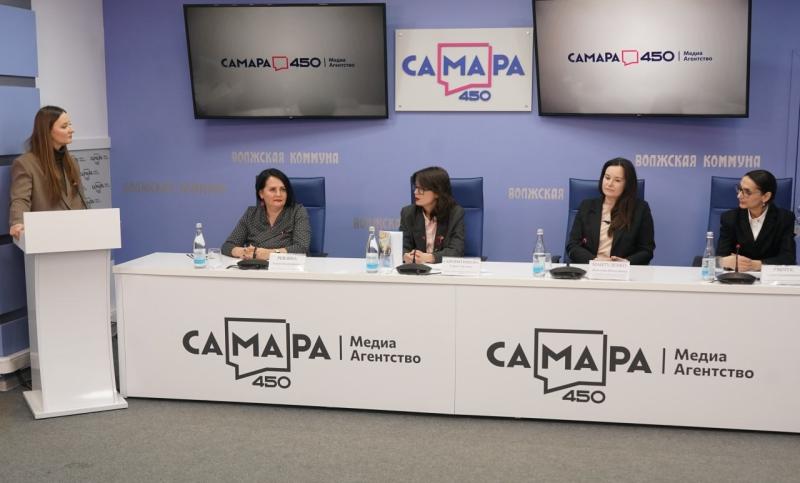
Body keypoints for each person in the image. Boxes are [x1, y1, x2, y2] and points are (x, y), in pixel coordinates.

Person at [8, 106, 86, 239]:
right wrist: (18, 222)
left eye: (70, 125)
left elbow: (80, 201)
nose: (71, 130)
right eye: (64, 126)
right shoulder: (25, 163)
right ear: (47, 131)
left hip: (78, 235)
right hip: (46, 238)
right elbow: (20, 199)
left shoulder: (72, 161)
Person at [567, 157, 655, 265]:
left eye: (617, 180)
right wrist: (594, 261)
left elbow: (646, 250)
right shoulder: (587, 206)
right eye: (607, 178)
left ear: (627, 184)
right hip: (590, 267)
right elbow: (573, 245)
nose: (609, 184)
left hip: (623, 270)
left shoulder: (640, 209)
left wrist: (626, 262)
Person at [222, 168, 310, 259]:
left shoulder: (297, 212)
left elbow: (301, 248)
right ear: (261, 193)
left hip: (287, 266)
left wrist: (271, 253)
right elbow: (227, 246)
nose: (278, 194)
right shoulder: (251, 214)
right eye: (272, 189)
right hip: (255, 265)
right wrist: (244, 252)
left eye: (283, 189)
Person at [717, 169, 796, 271]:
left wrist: (755, 265)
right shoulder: (730, 218)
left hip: (771, 278)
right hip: (738, 277)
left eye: (747, 192)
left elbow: (788, 259)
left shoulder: (785, 219)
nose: (739, 195)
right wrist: (724, 261)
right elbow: (721, 256)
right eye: (739, 189)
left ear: (765, 196)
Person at [399, 166, 465, 264]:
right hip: (417, 270)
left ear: (437, 192)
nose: (415, 192)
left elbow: (456, 251)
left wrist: (430, 258)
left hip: (443, 269)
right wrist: (405, 256)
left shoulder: (455, 213)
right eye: (415, 188)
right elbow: (402, 247)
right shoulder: (408, 213)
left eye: (421, 189)